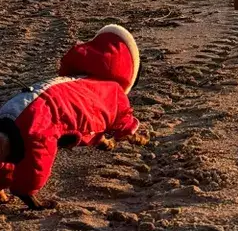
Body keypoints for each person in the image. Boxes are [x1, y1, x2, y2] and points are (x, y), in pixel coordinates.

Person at [0, 24, 147, 209]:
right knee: (36, 154)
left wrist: (101, 140)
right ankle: (28, 196)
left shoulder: (77, 82)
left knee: (11, 147)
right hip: (40, 118)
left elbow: (85, 118)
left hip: (18, 105)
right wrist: (133, 135)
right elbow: (121, 121)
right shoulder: (114, 92)